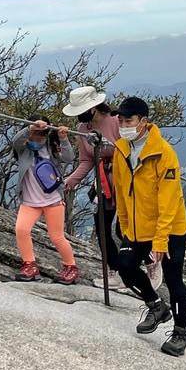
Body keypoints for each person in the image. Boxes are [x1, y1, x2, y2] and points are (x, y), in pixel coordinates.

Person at [112, 96, 186, 357]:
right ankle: (156, 306)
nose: (124, 125)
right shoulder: (121, 149)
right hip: (136, 228)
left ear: (143, 122)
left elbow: (168, 203)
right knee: (125, 267)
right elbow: (121, 192)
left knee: (173, 279)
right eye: (121, 120)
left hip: (170, 230)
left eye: (129, 120)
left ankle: (180, 332)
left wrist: (160, 242)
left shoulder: (164, 154)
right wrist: (124, 227)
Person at [62, 86, 121, 286]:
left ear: (93, 108)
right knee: (102, 227)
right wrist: (71, 180)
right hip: (103, 183)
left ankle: (148, 263)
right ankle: (116, 270)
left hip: (124, 181)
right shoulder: (82, 129)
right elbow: (87, 160)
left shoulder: (115, 121)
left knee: (125, 229)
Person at [11, 117, 77, 284]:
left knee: (57, 237)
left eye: (42, 135)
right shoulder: (23, 150)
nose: (38, 139)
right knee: (22, 230)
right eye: (35, 134)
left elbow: (69, 158)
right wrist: (30, 129)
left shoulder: (51, 150)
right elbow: (15, 141)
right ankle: (29, 264)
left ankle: (71, 266)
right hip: (30, 201)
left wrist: (63, 138)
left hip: (53, 200)